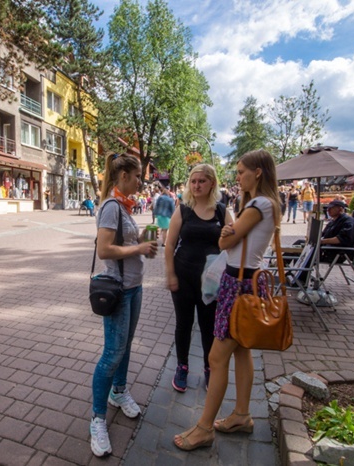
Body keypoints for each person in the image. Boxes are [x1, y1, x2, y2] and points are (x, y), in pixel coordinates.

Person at [173, 149, 279, 451]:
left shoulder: (257, 204)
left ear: (257, 173)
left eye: (242, 170)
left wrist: (226, 235)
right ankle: (242, 415)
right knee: (242, 351)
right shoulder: (265, 204)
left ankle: (204, 428)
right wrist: (227, 233)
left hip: (238, 282)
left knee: (216, 358)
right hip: (250, 279)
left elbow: (225, 241)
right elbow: (227, 236)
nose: (238, 176)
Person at [90, 153, 158, 457]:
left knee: (126, 347)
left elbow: (125, 244)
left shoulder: (126, 208)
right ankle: (97, 418)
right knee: (112, 353)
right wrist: (139, 247)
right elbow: (105, 250)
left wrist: (142, 238)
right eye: (137, 176)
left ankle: (119, 392)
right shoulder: (110, 207)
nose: (140, 181)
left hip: (134, 287)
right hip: (119, 290)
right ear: (123, 177)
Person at [165, 164, 232, 393]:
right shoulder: (183, 209)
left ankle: (209, 367)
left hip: (211, 282)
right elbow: (170, 244)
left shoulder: (222, 211)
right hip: (183, 276)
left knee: (208, 327)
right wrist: (170, 274)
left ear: (212, 183)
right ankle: (182, 366)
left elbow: (232, 244)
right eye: (193, 182)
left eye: (201, 181)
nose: (196, 186)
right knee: (183, 324)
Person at [319, 199, 354, 263]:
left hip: (336, 253)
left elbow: (340, 239)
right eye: (328, 208)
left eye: (332, 208)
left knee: (304, 254)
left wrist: (321, 241)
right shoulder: (333, 221)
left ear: (340, 209)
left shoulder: (348, 221)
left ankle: (302, 272)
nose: (328, 210)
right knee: (300, 244)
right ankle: (302, 272)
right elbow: (323, 234)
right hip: (327, 249)